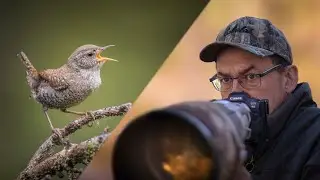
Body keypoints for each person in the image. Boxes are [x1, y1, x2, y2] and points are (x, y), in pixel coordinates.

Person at [199, 16, 320, 180]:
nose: (235, 92)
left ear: (289, 78)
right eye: (226, 80)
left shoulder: (314, 138)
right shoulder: (221, 136)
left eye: (250, 77)